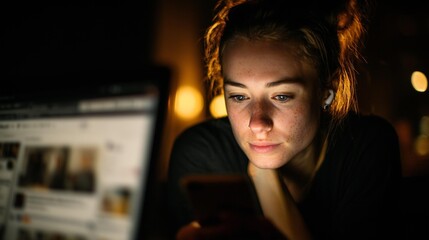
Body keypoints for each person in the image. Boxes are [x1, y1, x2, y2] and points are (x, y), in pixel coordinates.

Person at [168, 0, 402, 239]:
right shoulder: (202, 153)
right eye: (239, 96)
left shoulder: (366, 146)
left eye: (281, 96)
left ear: (326, 90)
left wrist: (265, 178)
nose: (257, 123)